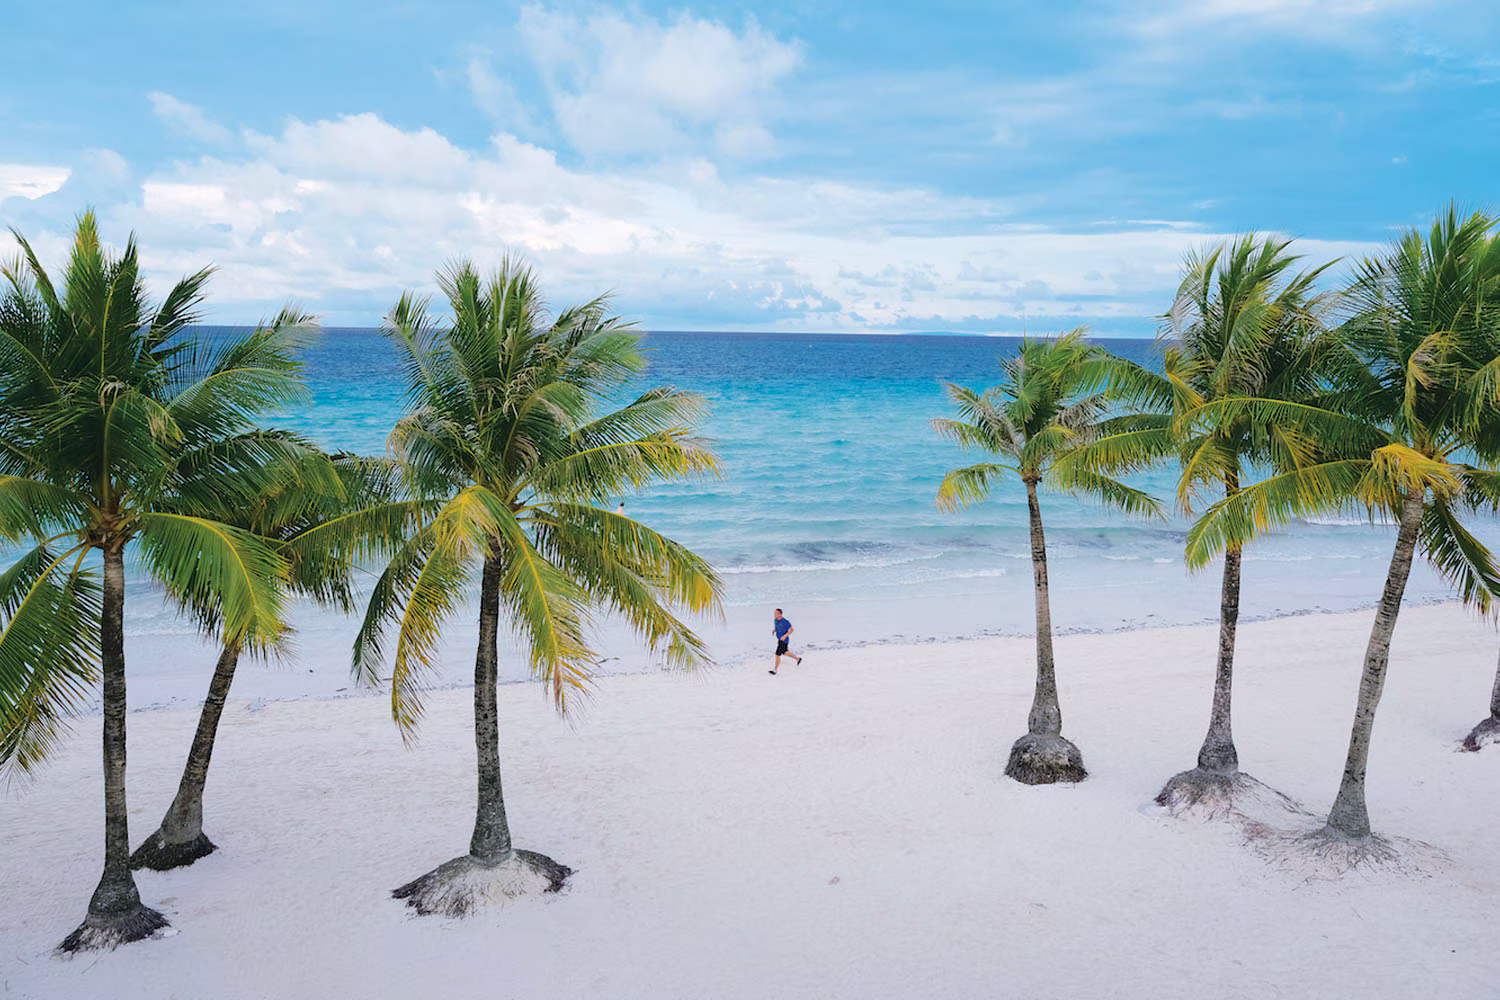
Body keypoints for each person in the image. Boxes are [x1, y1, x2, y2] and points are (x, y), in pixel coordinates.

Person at [769, 608, 802, 674]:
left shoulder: (785, 622)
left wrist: (785, 636)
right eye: (774, 613)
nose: (774, 614)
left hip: (784, 641)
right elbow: (777, 626)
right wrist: (774, 630)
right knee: (785, 652)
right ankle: (798, 659)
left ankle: (775, 670)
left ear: (780, 614)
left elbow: (792, 630)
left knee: (777, 654)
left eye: (776, 613)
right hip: (780, 639)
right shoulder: (775, 620)